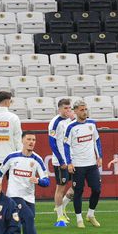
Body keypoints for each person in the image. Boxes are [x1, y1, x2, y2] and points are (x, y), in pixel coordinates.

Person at [0, 133, 52, 234]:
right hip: (14, 196)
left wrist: (38, 181)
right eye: (28, 139)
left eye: (34, 140)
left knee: (28, 229)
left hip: (29, 198)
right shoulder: (12, 157)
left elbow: (47, 181)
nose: (31, 142)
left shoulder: (37, 160)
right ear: (22, 140)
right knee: (28, 217)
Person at [61, 100, 102, 228]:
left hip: (91, 164)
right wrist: (69, 163)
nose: (84, 112)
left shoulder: (92, 124)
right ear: (75, 111)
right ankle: (79, 219)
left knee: (97, 189)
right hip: (78, 165)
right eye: (82, 110)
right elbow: (66, 146)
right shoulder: (71, 127)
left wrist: (99, 156)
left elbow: (97, 141)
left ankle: (90, 214)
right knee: (78, 191)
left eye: (85, 109)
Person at [47, 97, 75, 226]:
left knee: (77, 187)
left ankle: (61, 206)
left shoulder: (70, 120)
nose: (68, 110)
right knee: (61, 188)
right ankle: (60, 217)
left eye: (69, 108)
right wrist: (61, 160)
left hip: (72, 160)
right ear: (59, 109)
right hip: (61, 162)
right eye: (65, 108)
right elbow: (52, 143)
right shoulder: (55, 122)